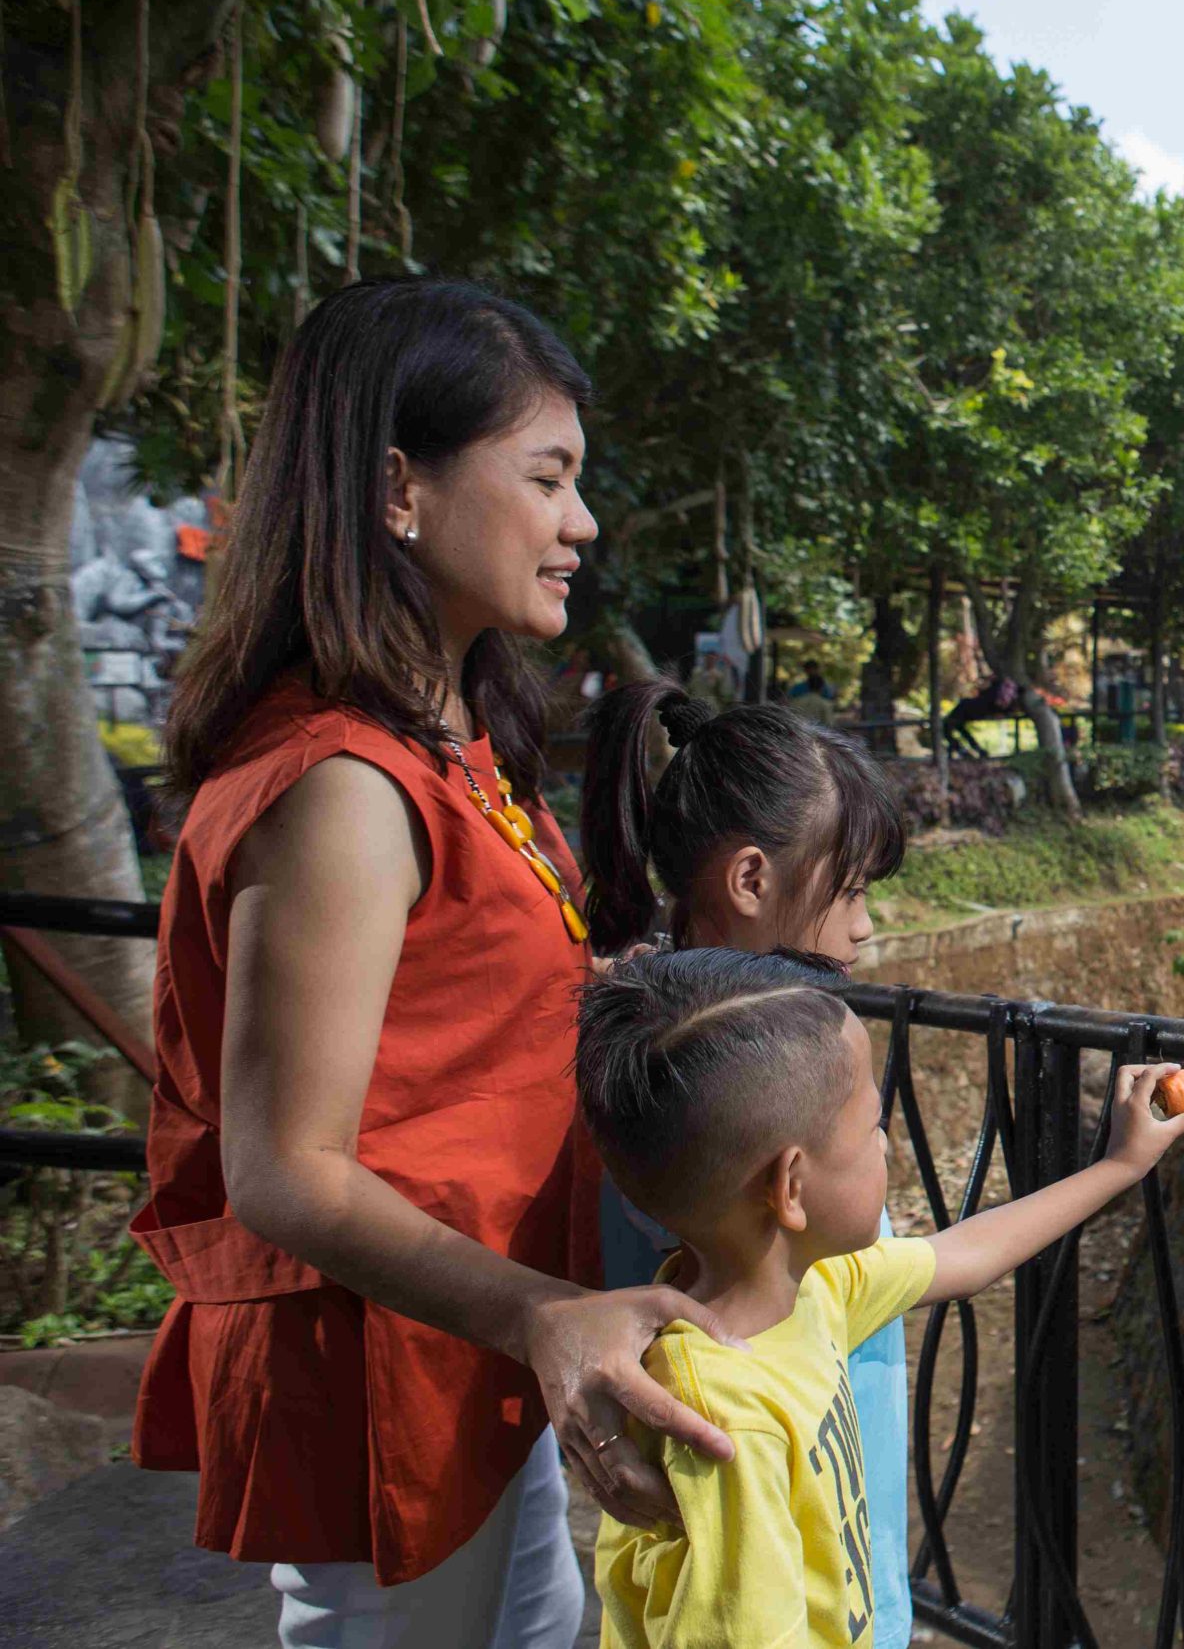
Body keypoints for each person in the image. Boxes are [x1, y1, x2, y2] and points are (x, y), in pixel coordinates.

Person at [137, 276, 738, 1645]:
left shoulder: (440, 742)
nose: (580, 522)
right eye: (549, 476)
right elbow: (285, 1168)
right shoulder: (343, 782)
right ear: (399, 486)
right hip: (399, 1367)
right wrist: (543, 1311)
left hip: (474, 1342)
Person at [577, 949, 1184, 1647]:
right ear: (791, 1186)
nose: (887, 1142)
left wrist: (1120, 1165)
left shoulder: (808, 1287)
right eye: (873, 1125)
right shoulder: (727, 1429)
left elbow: (963, 1256)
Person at [578, 678, 922, 1647]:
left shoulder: (660, 1058)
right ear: (750, 880)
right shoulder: (701, 1094)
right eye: (848, 889)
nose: (863, 926)